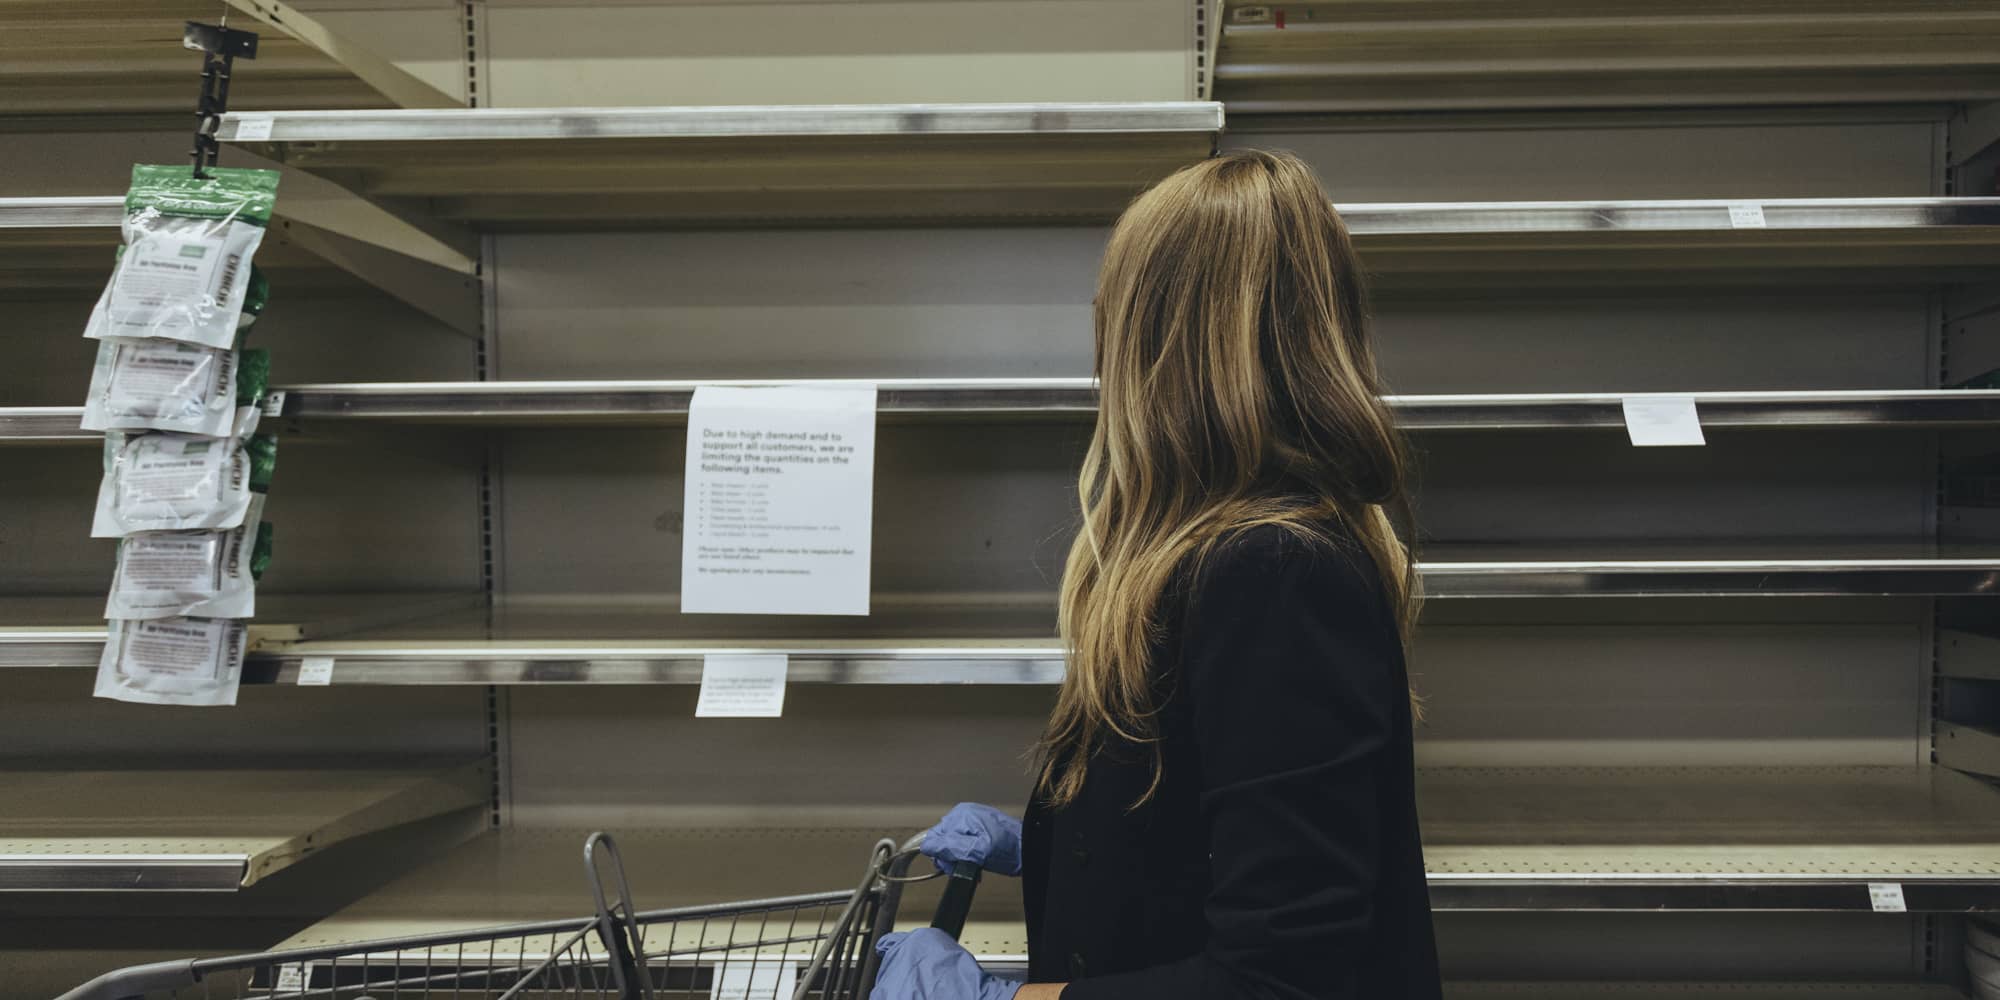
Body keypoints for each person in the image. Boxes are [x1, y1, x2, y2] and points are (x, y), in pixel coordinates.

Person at [869, 149, 1440, 1000]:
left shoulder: (1274, 573)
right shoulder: (1213, 557)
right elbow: (1221, 820)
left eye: (1116, 320)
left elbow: (1280, 976)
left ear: (1166, 342)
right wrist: (1059, 835)